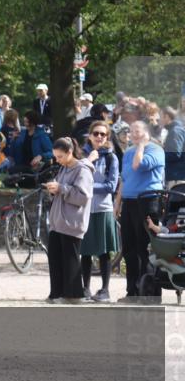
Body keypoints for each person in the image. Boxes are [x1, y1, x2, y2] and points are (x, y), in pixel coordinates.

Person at [118, 120, 166, 302]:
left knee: (144, 247)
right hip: (129, 202)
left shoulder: (155, 150)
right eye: (131, 131)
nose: (133, 134)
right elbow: (124, 179)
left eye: (137, 131)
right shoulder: (128, 152)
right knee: (129, 248)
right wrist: (117, 203)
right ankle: (132, 292)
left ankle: (148, 293)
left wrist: (142, 145)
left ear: (146, 132)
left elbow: (139, 164)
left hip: (147, 201)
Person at [42, 137, 94, 304]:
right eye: (56, 157)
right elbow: (62, 189)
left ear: (70, 152)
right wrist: (53, 189)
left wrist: (61, 188)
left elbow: (83, 197)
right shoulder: (64, 168)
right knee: (55, 259)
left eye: (60, 156)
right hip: (58, 222)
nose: (58, 160)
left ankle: (73, 295)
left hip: (72, 223)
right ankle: (56, 294)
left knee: (70, 261)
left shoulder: (82, 170)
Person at [80, 121, 119, 302]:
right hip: (85, 209)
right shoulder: (82, 155)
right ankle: (85, 288)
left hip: (103, 209)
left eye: (103, 134)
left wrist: (88, 186)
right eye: (96, 133)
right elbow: (76, 179)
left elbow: (111, 186)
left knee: (104, 252)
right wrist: (89, 161)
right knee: (85, 251)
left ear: (107, 137)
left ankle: (105, 290)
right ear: (90, 135)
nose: (99, 137)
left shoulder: (112, 158)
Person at [162, 107, 185, 185]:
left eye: (161, 116)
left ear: (167, 117)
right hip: (175, 176)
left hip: (177, 178)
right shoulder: (173, 130)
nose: (159, 120)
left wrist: (159, 154)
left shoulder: (175, 131)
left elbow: (174, 154)